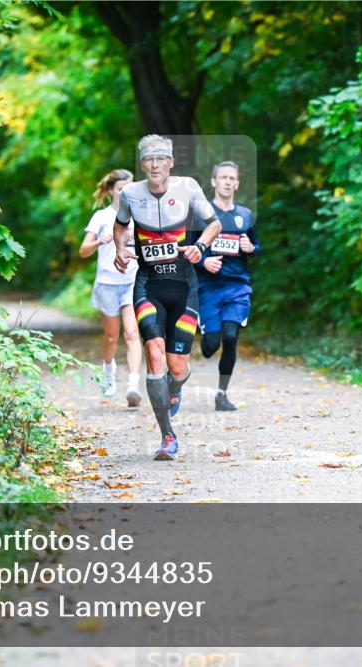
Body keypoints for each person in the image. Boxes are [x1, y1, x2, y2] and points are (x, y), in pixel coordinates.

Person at [113, 135, 222, 460]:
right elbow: (120, 226)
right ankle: (167, 437)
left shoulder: (187, 187)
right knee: (154, 353)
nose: (155, 164)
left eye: (161, 158)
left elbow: (214, 223)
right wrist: (120, 248)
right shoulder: (131, 194)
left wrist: (199, 247)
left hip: (183, 286)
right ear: (142, 164)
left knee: (177, 366)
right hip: (148, 284)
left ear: (171, 162)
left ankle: (175, 387)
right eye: (149, 159)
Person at [189, 161, 258, 411]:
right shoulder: (201, 216)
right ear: (214, 182)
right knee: (210, 347)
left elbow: (255, 246)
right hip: (209, 288)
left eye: (232, 178)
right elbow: (188, 250)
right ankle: (205, 336)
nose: (228, 181)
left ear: (237, 183)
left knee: (231, 337)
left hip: (238, 286)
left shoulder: (246, 215)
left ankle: (222, 394)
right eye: (223, 177)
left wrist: (251, 249)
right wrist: (205, 262)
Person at [79, 168, 142, 407]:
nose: (125, 193)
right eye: (120, 189)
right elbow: (83, 251)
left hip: (132, 281)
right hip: (107, 283)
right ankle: (108, 371)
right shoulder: (101, 217)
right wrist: (99, 240)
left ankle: (133, 385)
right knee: (111, 336)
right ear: (111, 191)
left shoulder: (138, 216)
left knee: (132, 333)